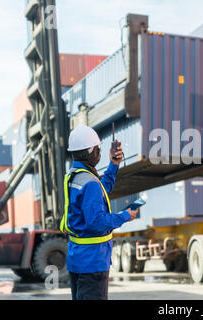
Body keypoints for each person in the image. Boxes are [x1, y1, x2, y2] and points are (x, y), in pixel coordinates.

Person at [60, 124, 137, 300]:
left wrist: (114, 165)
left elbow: (100, 192)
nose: (99, 153)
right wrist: (125, 216)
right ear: (90, 152)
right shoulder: (90, 182)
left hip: (77, 258)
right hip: (93, 262)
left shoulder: (75, 176)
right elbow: (97, 221)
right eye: (98, 149)